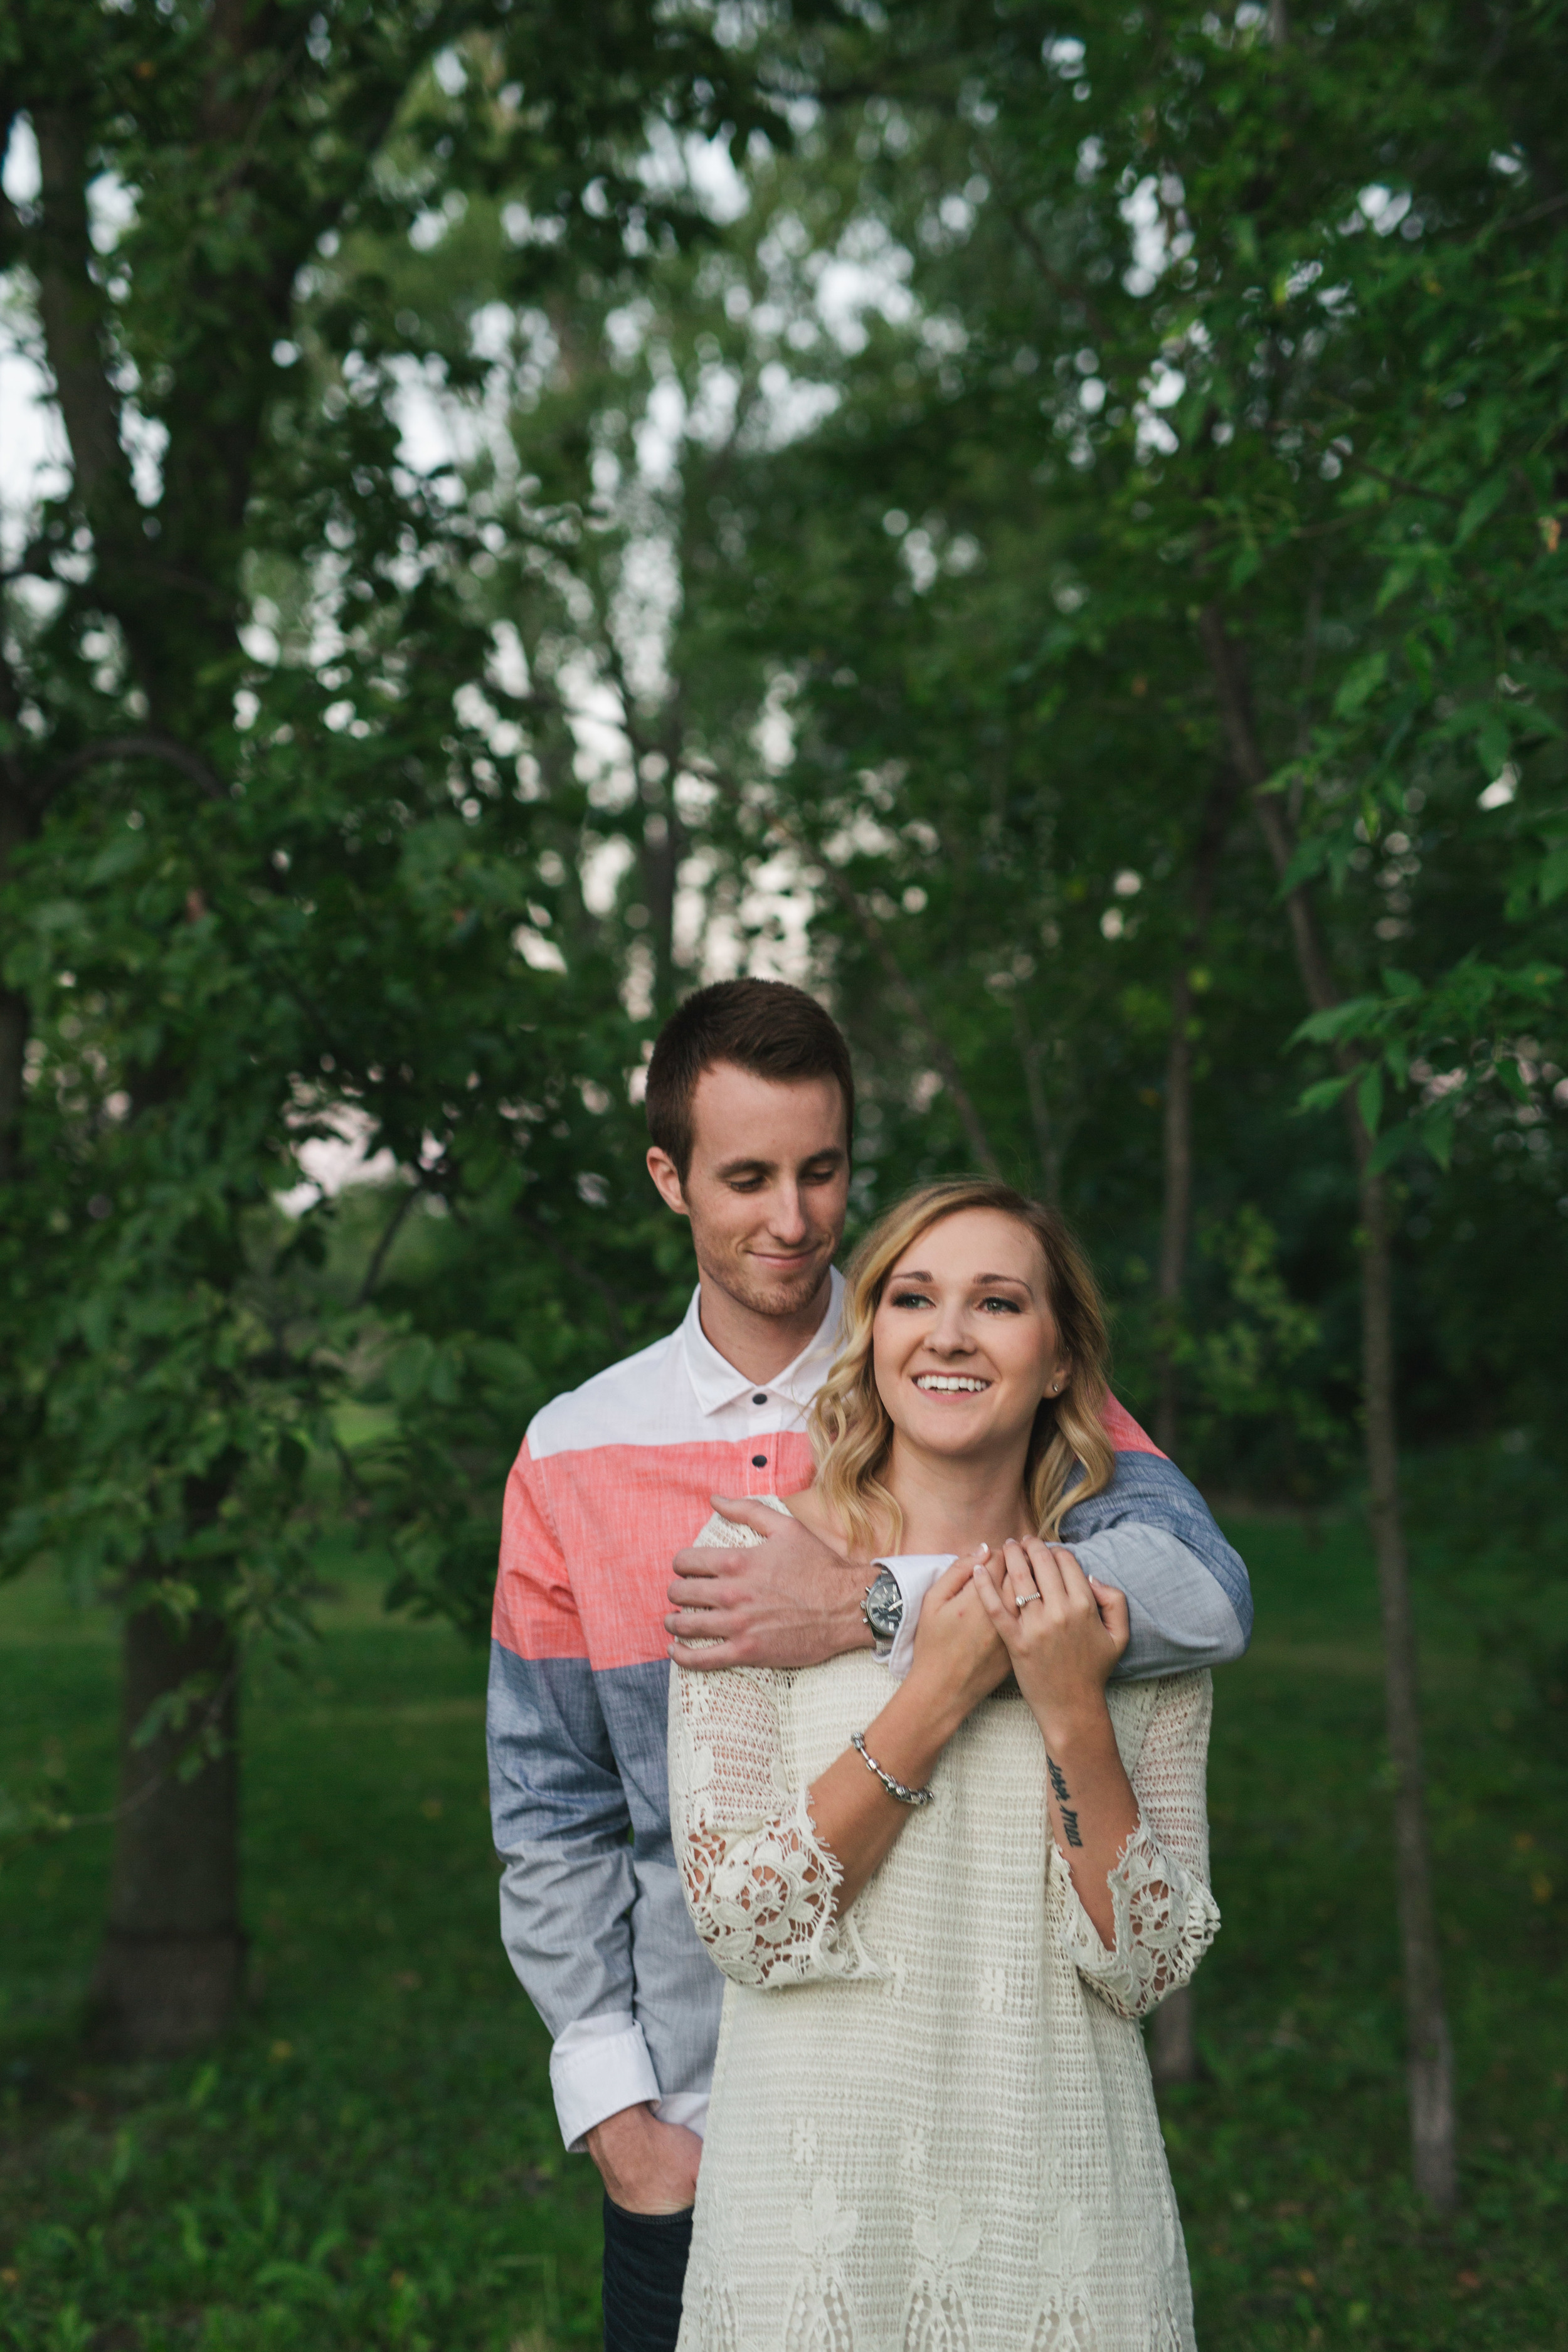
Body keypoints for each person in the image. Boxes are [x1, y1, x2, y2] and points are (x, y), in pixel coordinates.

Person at [485, 979, 1250, 2352]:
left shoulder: (961, 1352)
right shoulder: (570, 1454)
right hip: (721, 2138)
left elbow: (1202, 1596)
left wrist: (868, 1603)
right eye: (746, 1177)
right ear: (668, 1179)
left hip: (1013, 2124)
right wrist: (617, 2119)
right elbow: (549, 1805)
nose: (791, 1218)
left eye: (821, 1169)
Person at [669, 1180, 1220, 2351]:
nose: (951, 1333)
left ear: (1062, 1355)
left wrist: (1072, 1704)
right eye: (914, 1297)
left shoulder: (1126, 1605)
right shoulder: (753, 1564)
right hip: (814, 2221)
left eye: (1000, 1302)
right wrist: (941, 1681)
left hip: (1065, 2213)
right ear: (876, 1340)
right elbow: (745, 1927)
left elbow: (1150, 1963)